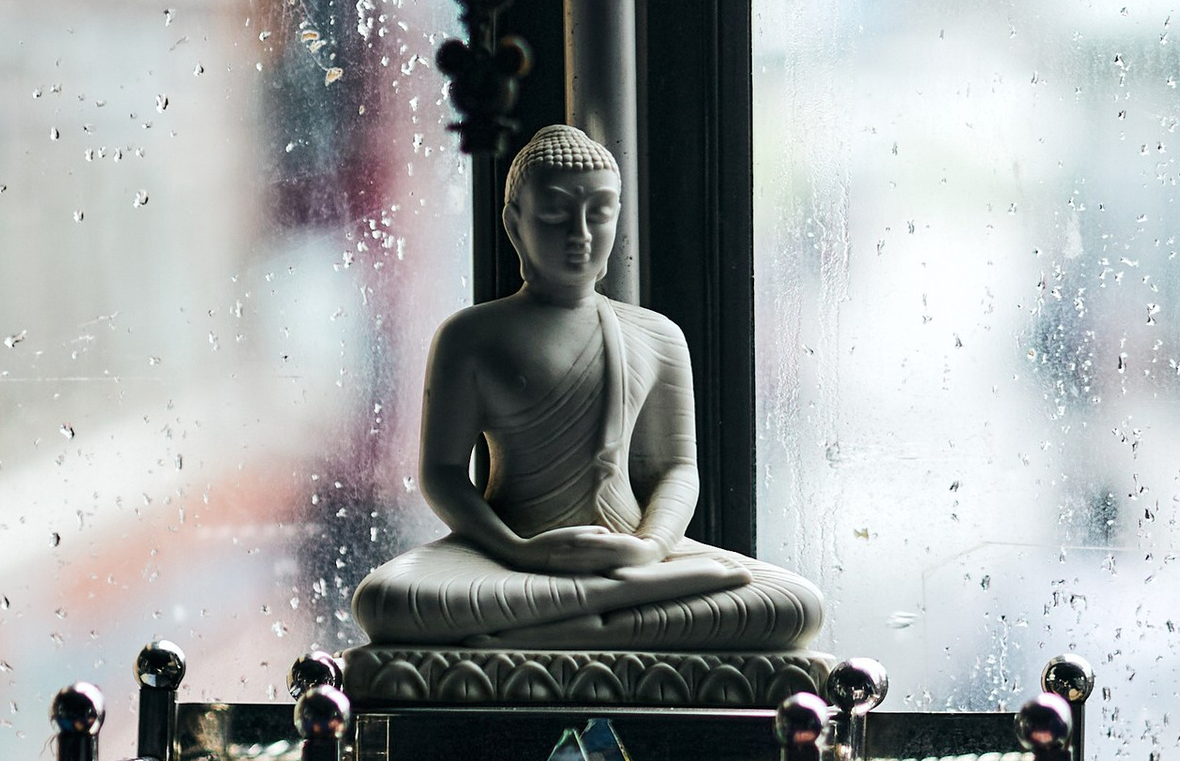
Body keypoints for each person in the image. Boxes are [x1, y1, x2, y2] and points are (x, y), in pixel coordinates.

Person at [352, 124, 825, 651]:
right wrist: (519, 550)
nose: (580, 234)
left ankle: (549, 629)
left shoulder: (657, 335)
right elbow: (443, 474)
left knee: (795, 605)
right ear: (515, 225)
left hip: (632, 549)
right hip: (507, 556)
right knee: (388, 601)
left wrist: (650, 546)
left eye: (598, 213)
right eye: (555, 214)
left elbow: (675, 469)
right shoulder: (470, 336)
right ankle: (610, 611)